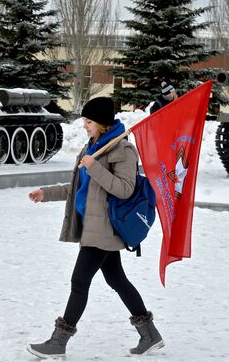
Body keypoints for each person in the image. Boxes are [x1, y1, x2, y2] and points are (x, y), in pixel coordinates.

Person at [26, 97, 164, 359]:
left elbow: (125, 189)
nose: (84, 126)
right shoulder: (93, 147)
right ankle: (150, 334)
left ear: (101, 123)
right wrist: (47, 193)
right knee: (117, 279)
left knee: (79, 282)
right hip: (93, 225)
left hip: (105, 229)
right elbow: (81, 188)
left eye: (88, 121)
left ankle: (58, 343)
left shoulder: (122, 150)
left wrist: (95, 167)